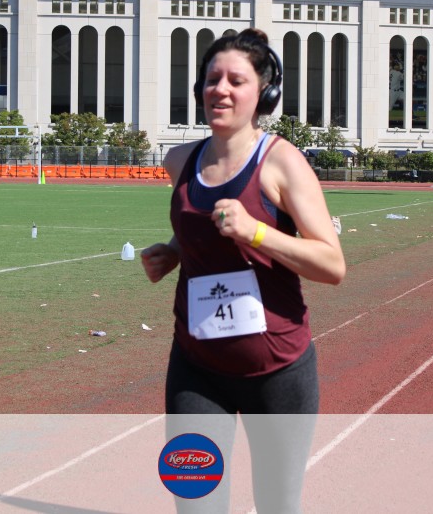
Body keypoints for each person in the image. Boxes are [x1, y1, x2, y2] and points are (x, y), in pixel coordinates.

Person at [141, 29, 345, 513]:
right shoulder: (180, 161)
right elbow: (205, 223)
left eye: (237, 80)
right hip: (196, 367)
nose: (221, 90)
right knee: (195, 502)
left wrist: (255, 232)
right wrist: (174, 251)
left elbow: (332, 264)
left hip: (277, 370)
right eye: (213, 79)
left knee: (276, 505)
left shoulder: (282, 162)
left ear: (264, 94)